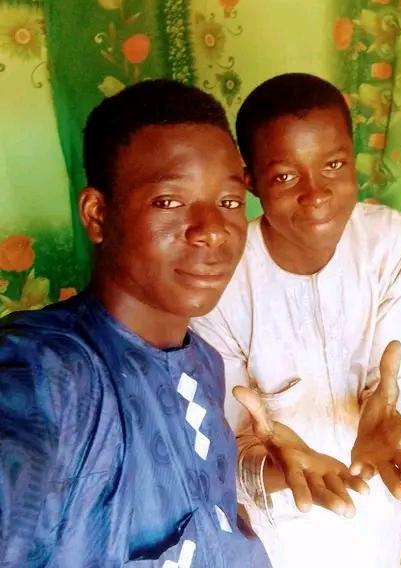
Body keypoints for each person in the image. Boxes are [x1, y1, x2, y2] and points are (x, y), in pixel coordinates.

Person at [0, 79, 274, 567]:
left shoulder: (203, 363)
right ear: (97, 215)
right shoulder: (48, 375)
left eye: (230, 202)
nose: (213, 230)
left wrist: (263, 474)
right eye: (169, 201)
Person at [191, 73, 401, 568]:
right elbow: (230, 446)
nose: (316, 195)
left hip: (374, 506)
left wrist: (386, 415)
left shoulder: (387, 242)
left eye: (333, 165)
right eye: (285, 176)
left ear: (354, 159)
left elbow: (394, 382)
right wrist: (271, 466)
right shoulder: (222, 278)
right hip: (278, 530)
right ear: (251, 182)